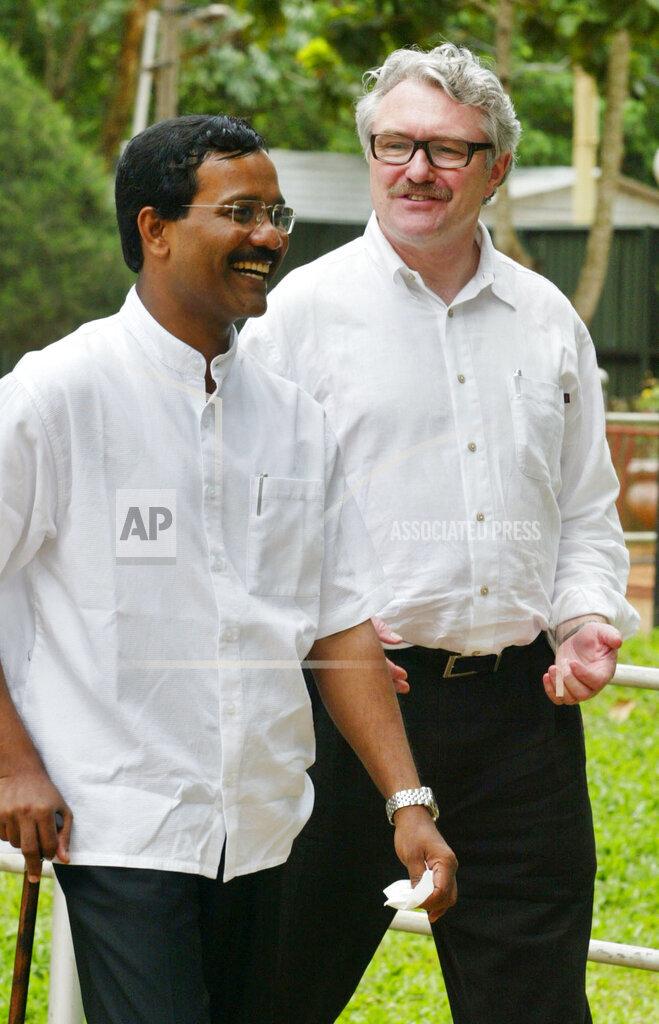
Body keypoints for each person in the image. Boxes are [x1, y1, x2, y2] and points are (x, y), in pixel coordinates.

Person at [0, 114, 457, 1024]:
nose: (271, 236)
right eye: (240, 211)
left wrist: (408, 805)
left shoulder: (294, 419)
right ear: (154, 228)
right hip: (120, 823)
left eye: (276, 212)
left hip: (262, 827)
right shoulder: (55, 395)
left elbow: (337, 626)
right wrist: (13, 767)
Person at [240, 45, 640, 1024]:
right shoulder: (296, 315)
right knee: (273, 993)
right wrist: (315, 616)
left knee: (534, 1008)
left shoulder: (547, 320)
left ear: (494, 167)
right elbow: (237, 508)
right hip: (340, 719)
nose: (415, 169)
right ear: (370, 152)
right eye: (394, 144)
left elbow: (584, 509)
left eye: (446, 150)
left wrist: (585, 614)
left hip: (518, 727)